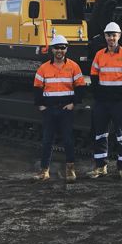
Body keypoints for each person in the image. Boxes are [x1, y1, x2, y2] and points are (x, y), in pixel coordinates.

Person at [32, 34, 86, 182]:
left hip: (65, 110)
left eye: (62, 48)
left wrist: (73, 104)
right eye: (56, 48)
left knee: (68, 140)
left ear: (66, 49)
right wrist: (41, 105)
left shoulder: (74, 67)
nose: (59, 51)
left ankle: (70, 171)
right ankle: (44, 171)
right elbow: (37, 88)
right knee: (47, 140)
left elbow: (81, 87)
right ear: (52, 49)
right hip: (49, 110)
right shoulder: (43, 68)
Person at [87, 21, 122, 181]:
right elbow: (94, 76)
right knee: (100, 134)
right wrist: (98, 95)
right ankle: (101, 167)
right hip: (102, 102)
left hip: (118, 102)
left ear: (119, 36)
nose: (111, 38)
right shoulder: (99, 55)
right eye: (108, 35)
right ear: (105, 37)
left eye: (114, 35)